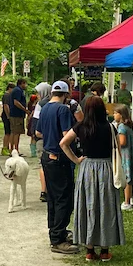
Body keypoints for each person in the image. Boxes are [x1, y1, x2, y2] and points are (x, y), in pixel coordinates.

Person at [60, 95, 126, 262]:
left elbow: (63, 143)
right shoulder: (110, 127)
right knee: (106, 206)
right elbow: (118, 149)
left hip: (87, 168)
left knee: (88, 205)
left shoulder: (81, 126)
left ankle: (89, 249)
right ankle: (105, 249)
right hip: (105, 168)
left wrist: (76, 159)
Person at [39, 80, 77, 254]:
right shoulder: (63, 109)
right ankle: (58, 239)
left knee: (53, 198)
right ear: (66, 95)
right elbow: (66, 136)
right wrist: (76, 158)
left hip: (47, 156)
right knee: (64, 198)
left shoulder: (45, 107)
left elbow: (38, 132)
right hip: (60, 158)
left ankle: (55, 231)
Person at [113, 104, 133, 211]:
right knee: (129, 178)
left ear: (121, 115)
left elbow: (122, 142)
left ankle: (127, 202)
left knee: (127, 178)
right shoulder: (128, 126)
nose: (113, 115)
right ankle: (129, 198)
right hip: (130, 154)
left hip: (125, 155)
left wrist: (114, 142)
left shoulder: (122, 127)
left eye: (115, 113)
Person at [31, 82, 52, 198]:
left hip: (42, 138)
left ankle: (44, 191)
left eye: (38, 92)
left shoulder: (41, 104)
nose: (37, 95)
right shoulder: (58, 103)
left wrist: (35, 136)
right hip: (54, 139)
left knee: (42, 164)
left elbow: (35, 123)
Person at [9, 78, 29, 155]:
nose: (26, 85)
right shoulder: (17, 90)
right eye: (25, 84)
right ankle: (15, 150)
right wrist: (25, 110)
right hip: (16, 114)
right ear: (21, 83)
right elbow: (16, 102)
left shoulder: (18, 90)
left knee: (14, 132)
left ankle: (12, 149)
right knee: (16, 132)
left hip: (16, 114)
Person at [0, 82, 15, 155]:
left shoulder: (9, 95)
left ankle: (7, 147)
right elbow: (6, 106)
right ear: (9, 88)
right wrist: (8, 116)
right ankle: (4, 147)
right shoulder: (6, 96)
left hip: (8, 116)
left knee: (9, 132)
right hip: (6, 116)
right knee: (7, 132)